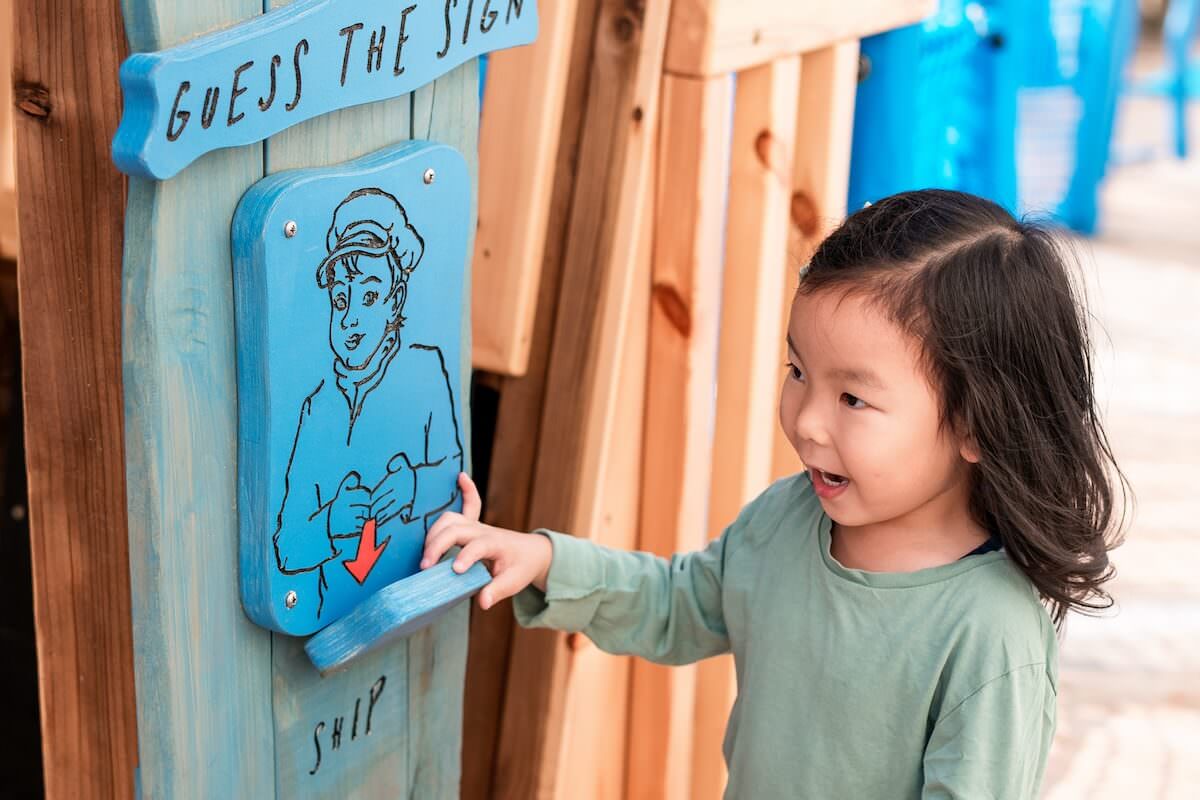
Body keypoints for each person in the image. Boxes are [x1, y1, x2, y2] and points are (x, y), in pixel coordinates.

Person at [422, 189, 1127, 798]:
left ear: (977, 421)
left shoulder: (991, 637)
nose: (806, 419)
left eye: (852, 397)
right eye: (798, 371)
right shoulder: (787, 520)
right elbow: (680, 603)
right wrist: (543, 560)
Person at [274, 188, 463, 620]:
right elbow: (286, 544)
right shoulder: (316, 408)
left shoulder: (425, 369)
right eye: (341, 299)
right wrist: (330, 523)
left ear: (395, 300)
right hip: (333, 621)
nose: (350, 318)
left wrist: (412, 487)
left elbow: (454, 476)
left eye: (369, 297)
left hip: (407, 604)